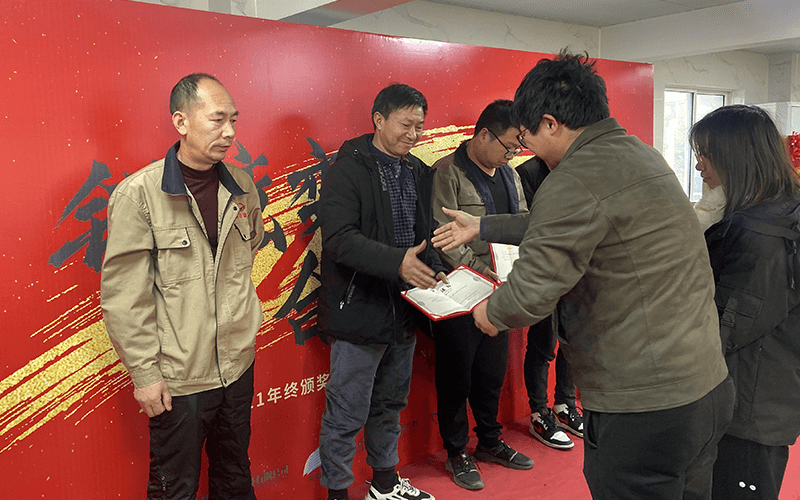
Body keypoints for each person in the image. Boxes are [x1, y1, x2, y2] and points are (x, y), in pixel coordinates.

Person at [432, 51, 734, 500]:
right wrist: (482, 225)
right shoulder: (639, 154)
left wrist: (490, 311)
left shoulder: (572, 178)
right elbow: (570, 220)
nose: (525, 151)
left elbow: (530, 293)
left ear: (551, 123)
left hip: (643, 403)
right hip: (704, 386)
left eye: (527, 138)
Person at [101, 73, 264, 499]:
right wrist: (145, 374)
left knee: (235, 477)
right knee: (175, 488)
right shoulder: (139, 195)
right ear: (181, 122)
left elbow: (247, 255)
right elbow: (124, 298)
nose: (229, 132)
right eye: (217, 120)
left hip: (237, 366)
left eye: (233, 120)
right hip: (179, 378)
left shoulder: (242, 187)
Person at [317, 83, 446, 500]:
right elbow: (339, 239)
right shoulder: (349, 167)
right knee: (345, 411)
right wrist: (397, 263)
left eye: (420, 126)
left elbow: (423, 236)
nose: (414, 134)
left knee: (390, 404)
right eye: (406, 124)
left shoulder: (418, 171)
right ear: (378, 119)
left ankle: (385, 484)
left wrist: (436, 271)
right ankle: (338, 493)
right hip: (360, 311)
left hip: (405, 311)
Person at [689, 105, 800, 500]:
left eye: (706, 154)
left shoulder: (759, 232)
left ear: (735, 155)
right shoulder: (777, 209)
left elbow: (729, 325)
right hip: (762, 392)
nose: (699, 165)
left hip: (749, 407)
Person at [430, 99, 534, 491]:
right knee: (456, 375)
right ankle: (457, 451)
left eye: (518, 147)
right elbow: (444, 238)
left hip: (501, 293)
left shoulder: (511, 175)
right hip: (460, 292)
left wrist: (513, 274)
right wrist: (484, 272)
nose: (513, 154)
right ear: (484, 135)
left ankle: (489, 441)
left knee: (491, 372)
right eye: (508, 145)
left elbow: (522, 224)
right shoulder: (448, 172)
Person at [515, 156, 583, 450]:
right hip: (544, 270)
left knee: (572, 340)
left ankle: (565, 403)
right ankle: (539, 412)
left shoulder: (582, 165)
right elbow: (531, 226)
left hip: (579, 267)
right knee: (543, 342)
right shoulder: (527, 172)